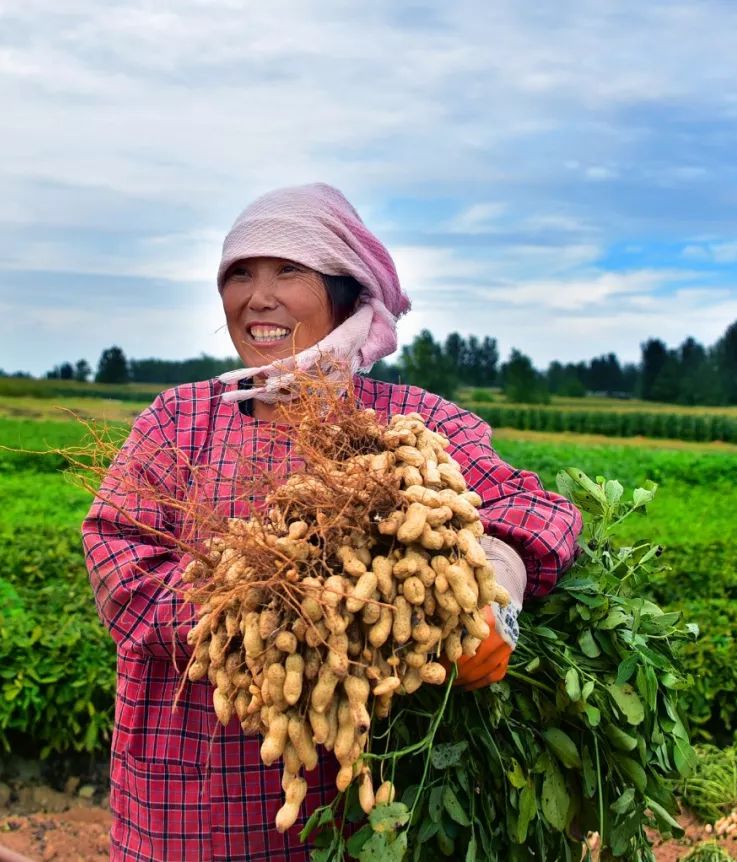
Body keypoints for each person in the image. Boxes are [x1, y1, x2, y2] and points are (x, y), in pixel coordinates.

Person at [82, 183, 582, 861]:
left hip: (351, 816)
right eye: (239, 274)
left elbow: (533, 511)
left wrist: (499, 596)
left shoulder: (411, 422)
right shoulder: (179, 420)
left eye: (288, 270)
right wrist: (275, 613)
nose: (258, 297)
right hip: (187, 806)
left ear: (346, 294)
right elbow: (122, 567)